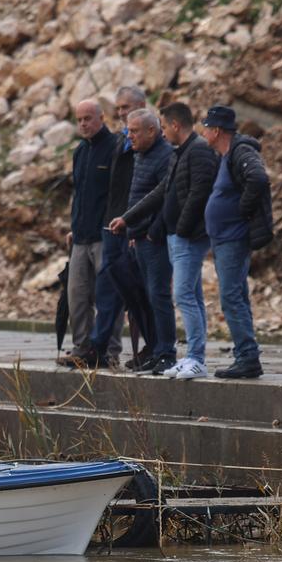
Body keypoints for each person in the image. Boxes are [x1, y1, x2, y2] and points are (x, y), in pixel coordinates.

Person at [112, 101, 217, 379]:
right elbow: (161, 193)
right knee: (181, 294)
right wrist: (129, 220)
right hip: (165, 235)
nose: (129, 136)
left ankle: (184, 355)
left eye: (134, 130)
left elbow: (196, 195)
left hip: (179, 237)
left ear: (172, 126)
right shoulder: (177, 154)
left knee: (177, 294)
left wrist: (173, 229)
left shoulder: (193, 152)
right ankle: (178, 354)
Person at [200, 105, 272, 379]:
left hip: (233, 238)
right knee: (237, 296)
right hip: (223, 239)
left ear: (216, 131)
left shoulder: (241, 152)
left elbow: (258, 178)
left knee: (231, 298)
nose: (203, 131)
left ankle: (247, 357)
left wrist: (241, 211)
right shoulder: (225, 156)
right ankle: (246, 355)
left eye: (206, 127)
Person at [88, 86, 152, 369]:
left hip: (136, 229)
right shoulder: (119, 143)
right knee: (107, 291)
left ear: (141, 106)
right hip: (113, 226)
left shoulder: (150, 145)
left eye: (126, 107)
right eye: (120, 109)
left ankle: (151, 348)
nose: (122, 113)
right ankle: (98, 347)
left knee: (141, 295)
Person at [113, 107, 176, 373]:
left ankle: (166, 352)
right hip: (137, 237)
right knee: (143, 297)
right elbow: (138, 194)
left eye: (135, 131)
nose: (130, 137)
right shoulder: (140, 154)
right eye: (128, 131)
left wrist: (152, 231)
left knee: (158, 295)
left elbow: (167, 198)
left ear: (153, 130)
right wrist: (132, 232)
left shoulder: (165, 156)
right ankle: (154, 348)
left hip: (154, 240)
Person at [59, 98, 118, 369]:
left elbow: (117, 195)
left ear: (101, 118)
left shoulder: (115, 147)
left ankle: (109, 350)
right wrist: (73, 226)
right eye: (79, 119)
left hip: (104, 236)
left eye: (88, 118)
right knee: (77, 296)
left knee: (108, 296)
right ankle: (81, 348)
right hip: (81, 237)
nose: (83, 123)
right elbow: (79, 194)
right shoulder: (80, 152)